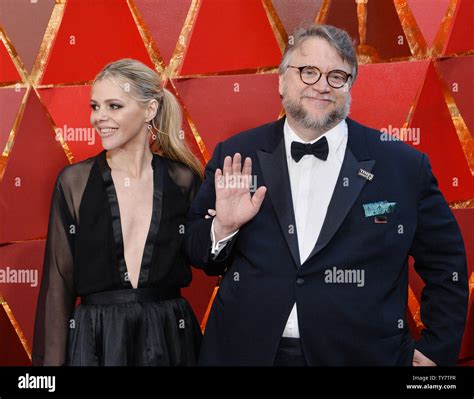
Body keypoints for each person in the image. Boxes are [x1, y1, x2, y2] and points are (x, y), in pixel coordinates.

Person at [185, 24, 469, 366]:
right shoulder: (236, 154)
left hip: (360, 355)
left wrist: (437, 349)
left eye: (336, 75)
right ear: (281, 79)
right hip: (244, 352)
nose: (321, 85)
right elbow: (198, 253)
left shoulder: (402, 165)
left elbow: (446, 264)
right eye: (308, 72)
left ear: (349, 86)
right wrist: (223, 229)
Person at [33, 59, 203, 366]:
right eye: (95, 106)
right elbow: (58, 287)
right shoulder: (74, 183)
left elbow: (209, 258)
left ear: (150, 110)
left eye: (114, 106)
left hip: (170, 339)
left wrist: (227, 226)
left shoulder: (183, 180)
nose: (99, 118)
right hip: (96, 343)